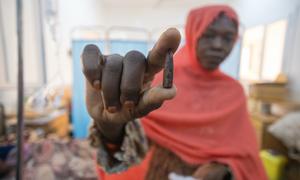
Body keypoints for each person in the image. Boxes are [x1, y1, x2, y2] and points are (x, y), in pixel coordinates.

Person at [82, 5, 267, 180]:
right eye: (208, 35)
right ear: (193, 34)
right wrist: (110, 128)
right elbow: (127, 145)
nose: (218, 45)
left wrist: (226, 168)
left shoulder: (234, 92)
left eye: (227, 38)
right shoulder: (161, 79)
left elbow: (245, 153)